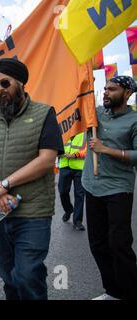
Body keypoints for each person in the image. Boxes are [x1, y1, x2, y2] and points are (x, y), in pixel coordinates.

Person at [0, 58, 63, 300]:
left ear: (21, 83)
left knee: (27, 274)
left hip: (32, 212)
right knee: (7, 275)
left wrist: (6, 184)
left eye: (5, 83)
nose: (0, 90)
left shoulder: (45, 114)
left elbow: (46, 159)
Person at [82, 75, 137, 300]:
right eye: (104, 88)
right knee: (97, 243)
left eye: (112, 89)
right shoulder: (95, 112)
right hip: (92, 185)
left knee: (119, 245)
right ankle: (112, 291)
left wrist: (107, 150)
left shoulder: (134, 120)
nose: (105, 92)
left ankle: (131, 293)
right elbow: (79, 107)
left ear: (127, 93)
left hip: (118, 189)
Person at [58, 131, 86, 231]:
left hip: (80, 167)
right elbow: (56, 145)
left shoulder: (85, 132)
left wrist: (76, 155)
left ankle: (78, 221)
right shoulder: (64, 129)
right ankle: (69, 210)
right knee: (62, 192)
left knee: (80, 194)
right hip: (65, 165)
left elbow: (89, 149)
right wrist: (59, 153)